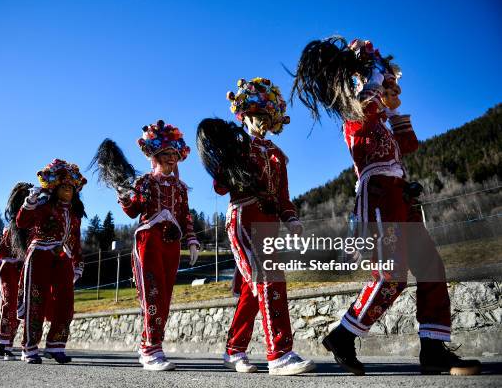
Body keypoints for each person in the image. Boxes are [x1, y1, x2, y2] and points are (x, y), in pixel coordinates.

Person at [291, 36, 482, 376]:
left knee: (432, 267)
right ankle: (343, 335)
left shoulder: (381, 116)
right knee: (392, 276)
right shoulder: (355, 111)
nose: (391, 90)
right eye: (385, 84)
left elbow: (409, 144)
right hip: (379, 198)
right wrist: (375, 82)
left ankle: (433, 349)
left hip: (400, 196)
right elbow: (365, 123)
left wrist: (393, 109)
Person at [196, 77, 315, 375]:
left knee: (253, 289)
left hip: (270, 225)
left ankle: (234, 350)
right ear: (244, 116)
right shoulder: (238, 148)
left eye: (267, 117)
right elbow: (221, 187)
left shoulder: (277, 156)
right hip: (244, 219)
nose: (261, 122)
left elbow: (283, 195)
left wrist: (292, 219)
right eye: (256, 116)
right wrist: (228, 166)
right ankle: (280, 353)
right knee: (267, 279)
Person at [95, 121, 200, 371]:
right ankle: (152, 349)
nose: (171, 158)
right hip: (148, 241)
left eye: (174, 154)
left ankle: (149, 346)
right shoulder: (144, 182)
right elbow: (133, 211)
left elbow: (185, 216)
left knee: (165, 298)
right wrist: (122, 194)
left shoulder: (182, 189)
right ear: (155, 155)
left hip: (172, 244)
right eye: (166, 154)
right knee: (152, 293)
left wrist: (192, 241)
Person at [16, 159, 87, 364]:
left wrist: (78, 263)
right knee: (36, 300)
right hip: (39, 255)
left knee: (65, 302)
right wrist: (29, 203)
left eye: (71, 188)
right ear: (55, 189)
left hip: (63, 258)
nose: (68, 191)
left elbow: (76, 240)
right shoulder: (42, 206)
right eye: (64, 187)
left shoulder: (74, 214)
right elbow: (22, 222)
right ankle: (29, 348)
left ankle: (56, 346)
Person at [0, 182, 33, 361]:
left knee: (20, 309)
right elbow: (0, 251)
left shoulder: (33, 225)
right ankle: (0, 344)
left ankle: (8, 345)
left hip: (24, 270)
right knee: (9, 305)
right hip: (9, 270)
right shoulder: (10, 228)